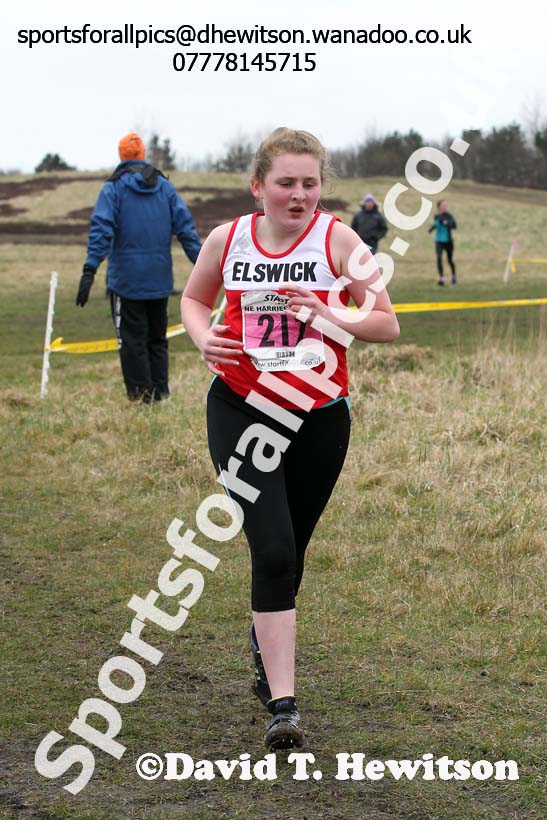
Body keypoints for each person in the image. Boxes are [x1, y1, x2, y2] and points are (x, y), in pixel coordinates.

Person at [180, 128, 399, 751]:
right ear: (259, 186)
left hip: (318, 416)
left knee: (291, 551)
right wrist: (203, 338)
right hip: (240, 407)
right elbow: (195, 301)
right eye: (286, 183)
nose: (299, 195)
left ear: (321, 188)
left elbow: (385, 322)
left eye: (310, 183)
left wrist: (330, 313)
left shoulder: (340, 240)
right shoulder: (229, 239)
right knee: (272, 550)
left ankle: (262, 636)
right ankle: (283, 706)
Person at [76, 132, 202, 402]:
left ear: (121, 156)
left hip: (126, 284)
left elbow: (101, 230)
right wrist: (205, 264)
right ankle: (161, 392)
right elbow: (186, 230)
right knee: (157, 339)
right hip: (159, 281)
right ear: (142, 154)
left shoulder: (113, 189)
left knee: (132, 342)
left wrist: (90, 269)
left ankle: (142, 397)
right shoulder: (166, 188)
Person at [428, 200, 457, 285]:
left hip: (448, 241)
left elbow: (454, 226)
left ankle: (454, 276)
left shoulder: (449, 216)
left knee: (450, 260)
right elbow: (437, 224)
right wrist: (431, 229)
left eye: (445, 205)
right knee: (439, 258)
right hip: (439, 241)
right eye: (443, 205)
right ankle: (441, 278)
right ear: (439, 207)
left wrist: (447, 223)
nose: (445, 206)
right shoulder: (436, 216)